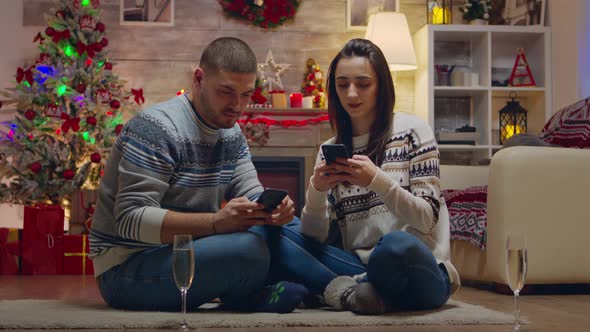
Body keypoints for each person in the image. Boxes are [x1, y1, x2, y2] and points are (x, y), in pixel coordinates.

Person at [89, 37, 307, 313]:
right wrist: (215, 222)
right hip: (126, 269)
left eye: (246, 94)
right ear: (199, 78)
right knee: (249, 250)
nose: (237, 106)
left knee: (288, 228)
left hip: (192, 252)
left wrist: (274, 209)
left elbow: (251, 191)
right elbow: (130, 220)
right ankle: (280, 290)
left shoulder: (231, 132)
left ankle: (341, 287)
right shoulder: (156, 128)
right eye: (226, 91)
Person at [251, 38, 460, 315]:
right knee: (272, 233)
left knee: (395, 245)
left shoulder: (414, 131)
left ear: (381, 86)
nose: (351, 94)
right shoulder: (331, 147)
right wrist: (317, 189)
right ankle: (359, 294)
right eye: (342, 84)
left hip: (420, 267)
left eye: (363, 84)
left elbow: (426, 219)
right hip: (359, 267)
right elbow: (315, 237)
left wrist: (377, 180)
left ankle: (334, 291)